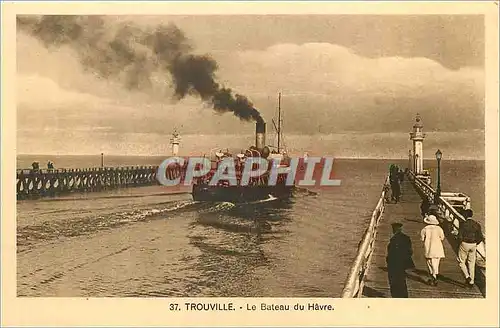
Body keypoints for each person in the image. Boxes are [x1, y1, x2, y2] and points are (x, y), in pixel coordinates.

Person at [457, 209, 484, 287]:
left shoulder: (463, 224)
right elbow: (480, 237)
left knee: (461, 261)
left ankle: (467, 277)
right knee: (471, 263)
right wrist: (475, 243)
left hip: (465, 243)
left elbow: (460, 236)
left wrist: (460, 243)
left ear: (465, 215)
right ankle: (471, 281)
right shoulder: (477, 224)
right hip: (473, 244)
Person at [386, 222, 415, 298]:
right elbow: (410, 251)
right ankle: (404, 296)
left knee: (394, 280)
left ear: (394, 230)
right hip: (404, 262)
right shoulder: (406, 238)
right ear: (400, 229)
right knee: (402, 280)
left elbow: (391, 252)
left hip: (394, 263)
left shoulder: (393, 239)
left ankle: (396, 296)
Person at [420, 215, 445, 286]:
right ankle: (434, 276)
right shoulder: (439, 228)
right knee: (436, 263)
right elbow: (442, 238)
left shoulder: (424, 229)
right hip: (437, 248)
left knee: (429, 263)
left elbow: (422, 238)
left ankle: (433, 277)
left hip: (428, 248)